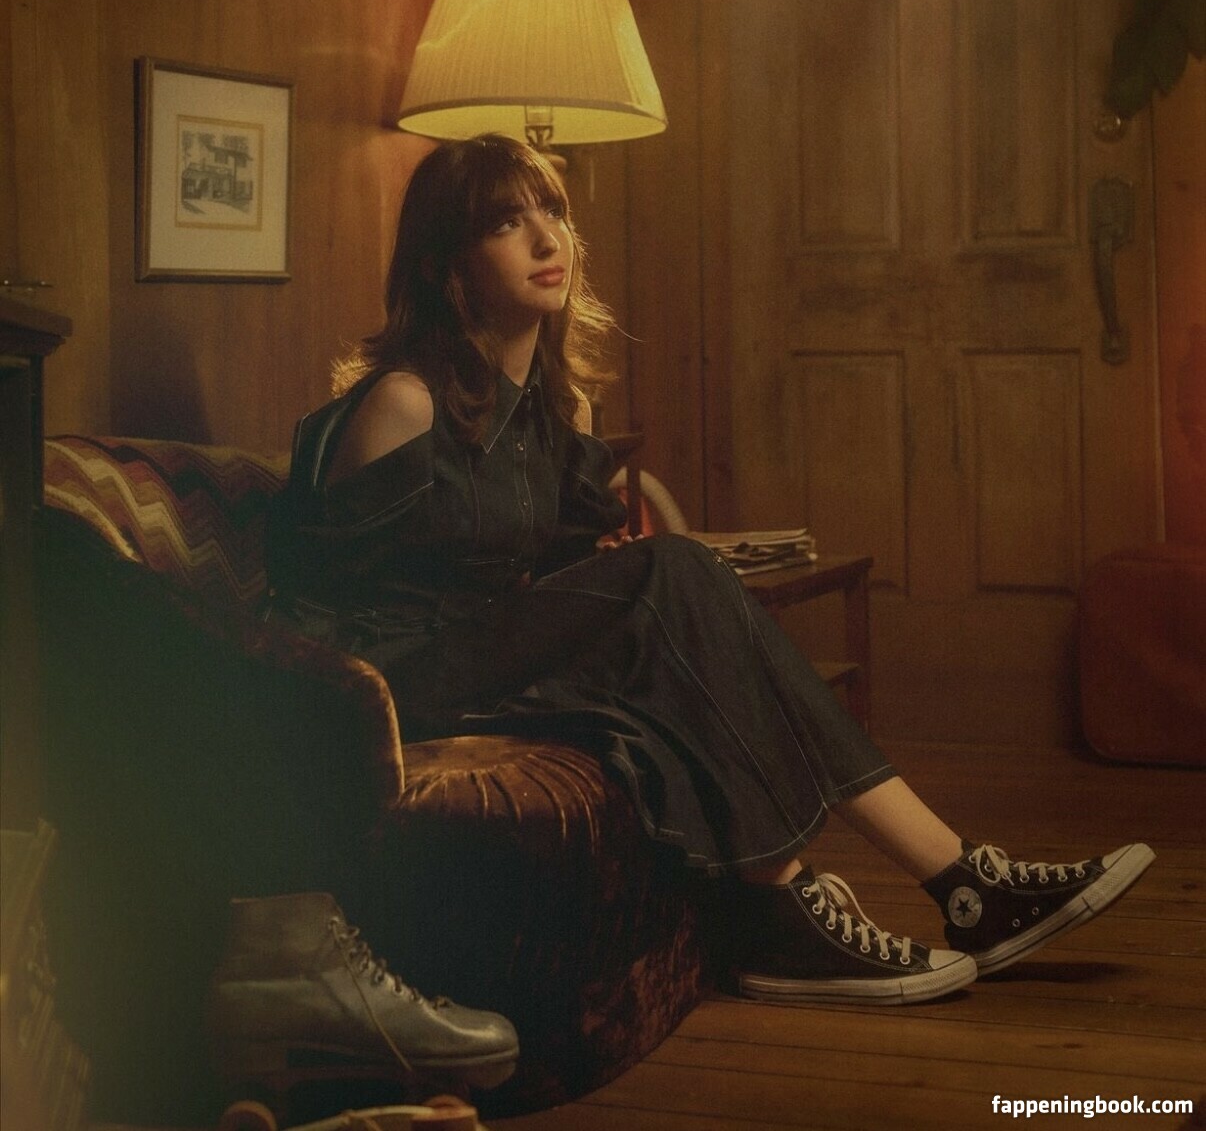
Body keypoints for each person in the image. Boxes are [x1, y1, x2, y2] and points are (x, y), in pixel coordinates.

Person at [269, 133, 1153, 1008]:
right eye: (506, 223)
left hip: (496, 660)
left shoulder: (561, 410)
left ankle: (865, 899)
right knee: (679, 574)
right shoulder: (405, 401)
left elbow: (564, 576)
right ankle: (950, 888)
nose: (547, 240)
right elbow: (320, 606)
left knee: (687, 607)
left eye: (554, 213)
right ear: (445, 266)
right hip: (391, 685)